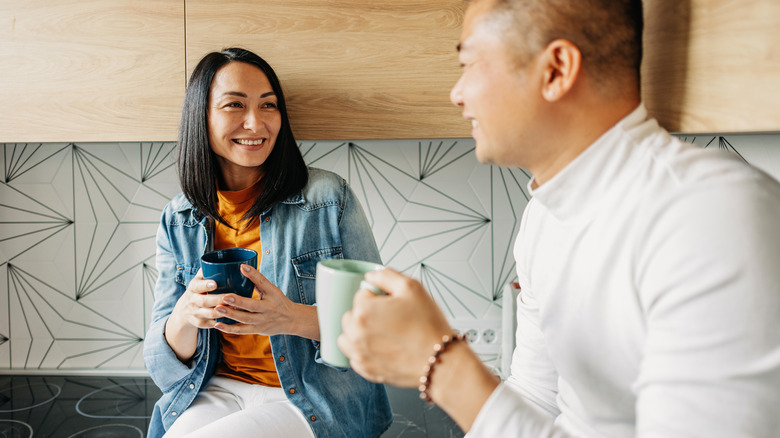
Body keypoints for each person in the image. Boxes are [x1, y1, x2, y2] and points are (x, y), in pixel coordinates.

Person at [338, 0, 780, 436]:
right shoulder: (543, 218)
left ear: (555, 71)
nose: (457, 93)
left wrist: (439, 364)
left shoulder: (711, 215)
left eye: (470, 64)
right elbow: (535, 398)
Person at [142, 48, 392, 438]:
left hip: (310, 396)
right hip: (215, 390)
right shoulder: (179, 218)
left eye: (268, 105)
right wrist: (186, 315)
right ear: (201, 116)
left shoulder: (328, 198)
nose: (255, 122)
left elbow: (381, 327)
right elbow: (161, 363)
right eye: (234, 105)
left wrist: (289, 317)